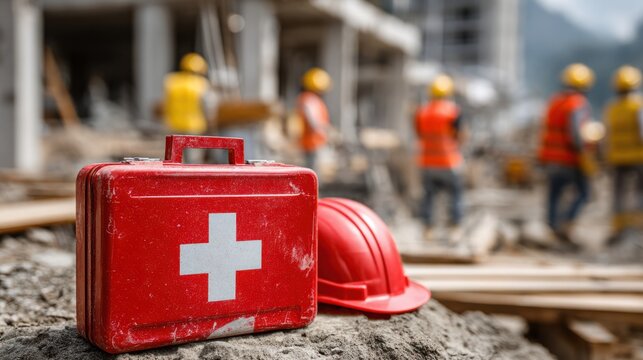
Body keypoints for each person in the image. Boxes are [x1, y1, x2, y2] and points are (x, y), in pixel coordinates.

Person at [538, 63, 595, 240]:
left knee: (554, 194)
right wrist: (584, 154)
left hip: (550, 158)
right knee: (584, 193)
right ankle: (566, 223)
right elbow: (576, 134)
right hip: (569, 158)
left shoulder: (555, 101)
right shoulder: (578, 103)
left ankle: (553, 228)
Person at [415, 74, 465, 236]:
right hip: (449, 162)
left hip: (428, 162)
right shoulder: (453, 112)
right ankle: (455, 227)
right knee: (455, 195)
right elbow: (461, 135)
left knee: (429, 196)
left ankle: (427, 228)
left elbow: (420, 134)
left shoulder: (422, 112)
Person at [604, 65, 643, 239]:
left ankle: (618, 228)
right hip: (638, 157)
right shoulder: (639, 106)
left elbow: (606, 135)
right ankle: (638, 226)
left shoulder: (612, 108)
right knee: (639, 192)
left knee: (618, 194)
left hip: (617, 158)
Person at [164, 53, 215, 135]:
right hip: (194, 127)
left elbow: (166, 104)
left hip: (173, 126)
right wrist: (210, 124)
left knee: (174, 147)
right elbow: (208, 108)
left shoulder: (171, 81)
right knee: (191, 147)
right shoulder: (202, 84)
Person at [297, 68, 332, 173]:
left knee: (313, 172)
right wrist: (328, 131)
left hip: (314, 142)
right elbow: (314, 122)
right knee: (313, 173)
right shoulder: (309, 99)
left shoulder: (308, 98)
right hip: (313, 142)